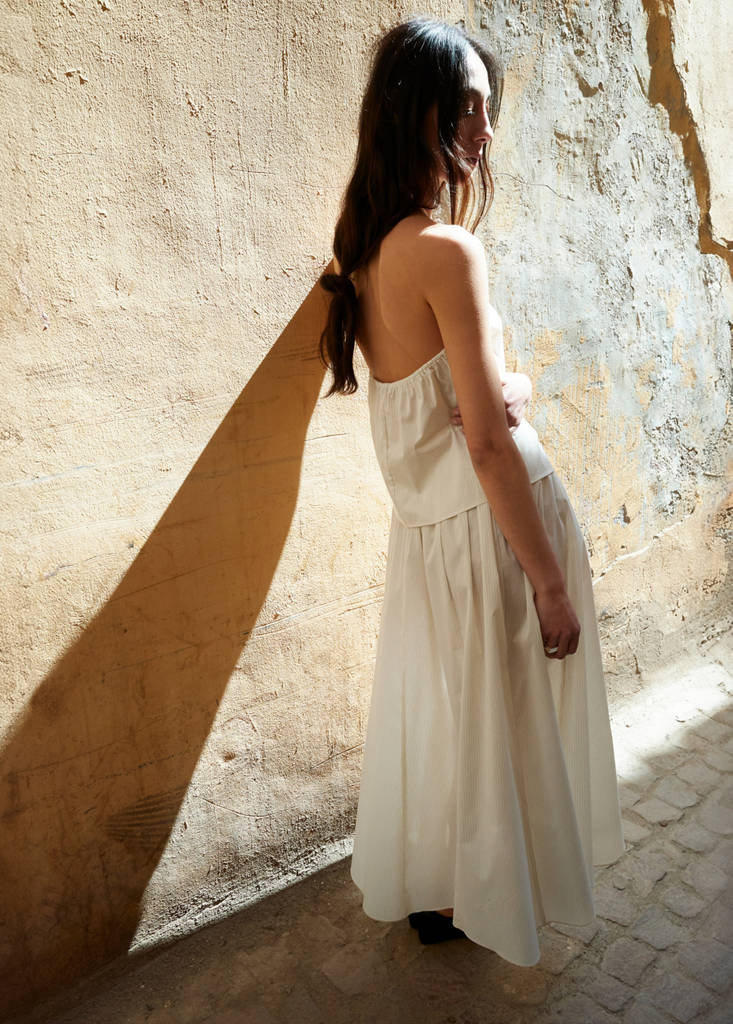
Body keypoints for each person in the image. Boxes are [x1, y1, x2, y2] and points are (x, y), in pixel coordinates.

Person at [317, 15, 626, 963]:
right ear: (418, 113)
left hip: (429, 533)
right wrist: (548, 583)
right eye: (470, 109)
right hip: (490, 527)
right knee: (512, 720)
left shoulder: (363, 253)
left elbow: (445, 399)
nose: (487, 131)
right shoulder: (448, 251)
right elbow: (487, 444)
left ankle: (445, 892)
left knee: (456, 721)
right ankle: (499, 897)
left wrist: (507, 385)